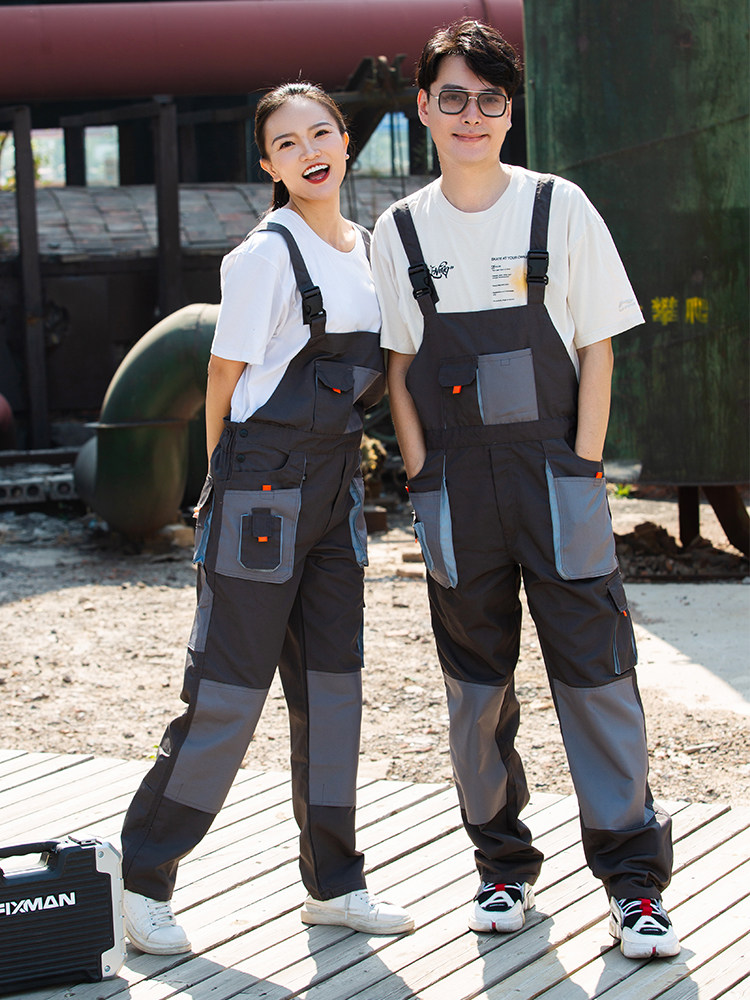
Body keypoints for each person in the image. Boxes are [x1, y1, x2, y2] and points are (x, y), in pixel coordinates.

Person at [371, 20, 680, 960]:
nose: (472, 115)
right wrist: (422, 477)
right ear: (423, 109)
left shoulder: (560, 206)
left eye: (490, 99)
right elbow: (399, 369)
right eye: (453, 97)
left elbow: (597, 347)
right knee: (476, 687)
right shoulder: (400, 230)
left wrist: (583, 466)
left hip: (557, 476)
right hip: (455, 487)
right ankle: (501, 865)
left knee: (598, 675)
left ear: (511, 112)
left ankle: (634, 887)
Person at [119, 82, 414, 955]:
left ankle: (336, 884)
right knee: (228, 694)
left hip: (337, 492)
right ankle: (141, 881)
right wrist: (225, 485)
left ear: (347, 141)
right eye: (288, 144)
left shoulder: (370, 250)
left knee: (333, 692)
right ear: (268, 165)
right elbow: (223, 378)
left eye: (321, 133)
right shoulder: (263, 257)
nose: (309, 151)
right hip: (261, 491)